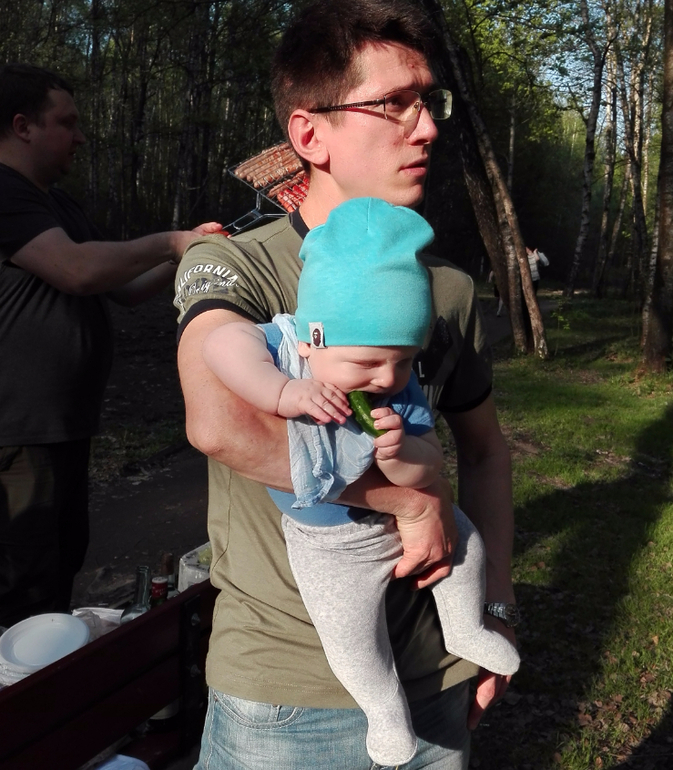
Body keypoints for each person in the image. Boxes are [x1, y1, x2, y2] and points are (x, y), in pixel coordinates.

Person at [174, 1, 517, 767]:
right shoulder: (233, 264)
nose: (425, 129)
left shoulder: (446, 289)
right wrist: (412, 501)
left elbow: (485, 451)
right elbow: (221, 425)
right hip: (283, 700)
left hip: (435, 673)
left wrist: (495, 604)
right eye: (392, 104)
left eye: (429, 102)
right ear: (309, 134)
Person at [202, 196, 520, 767]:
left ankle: (465, 627)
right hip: (328, 544)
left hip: (396, 530)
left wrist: (402, 456)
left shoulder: (397, 387)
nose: (386, 378)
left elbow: (431, 464)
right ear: (314, 338)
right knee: (349, 634)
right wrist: (281, 392)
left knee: (467, 545)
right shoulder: (283, 347)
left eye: (401, 360)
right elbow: (219, 346)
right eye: (369, 363)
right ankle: (383, 710)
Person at [0, 63, 221, 628]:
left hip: (64, 424)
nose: (80, 137)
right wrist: (170, 240)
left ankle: (46, 673)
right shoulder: (5, 192)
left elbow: (124, 287)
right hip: (18, 429)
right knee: (23, 580)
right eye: (67, 122)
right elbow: (77, 270)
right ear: (23, 126)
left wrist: (194, 251)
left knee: (58, 563)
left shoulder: (57, 204)